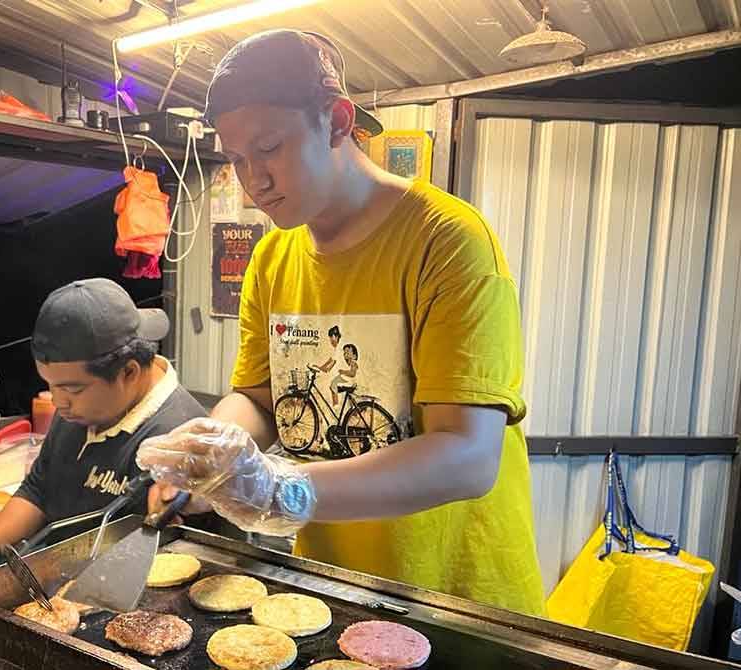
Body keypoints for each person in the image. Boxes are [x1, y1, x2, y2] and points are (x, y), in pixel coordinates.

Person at [138, 29, 544, 616]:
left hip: (453, 597)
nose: (255, 181)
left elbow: (468, 455)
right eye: (237, 160)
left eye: (270, 147)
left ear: (335, 120)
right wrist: (214, 451)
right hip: (329, 584)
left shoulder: (448, 242)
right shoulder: (272, 257)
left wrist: (283, 490)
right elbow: (260, 398)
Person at [0, 278, 209, 573]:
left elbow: (166, 557)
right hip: (46, 574)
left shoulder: (178, 438)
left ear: (128, 372)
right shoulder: (81, 410)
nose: (58, 402)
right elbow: (39, 490)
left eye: (72, 390)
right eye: (51, 386)